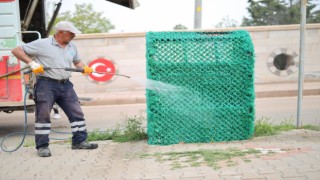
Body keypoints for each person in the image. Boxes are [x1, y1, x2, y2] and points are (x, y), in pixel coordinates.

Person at [11, 21, 98, 157]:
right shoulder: (42, 44)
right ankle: (42, 147)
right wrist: (32, 63)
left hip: (66, 84)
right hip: (46, 84)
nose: (74, 35)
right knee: (43, 115)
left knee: (76, 113)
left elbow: (77, 61)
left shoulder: (72, 46)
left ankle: (79, 142)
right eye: (71, 33)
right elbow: (16, 50)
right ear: (61, 33)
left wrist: (84, 67)